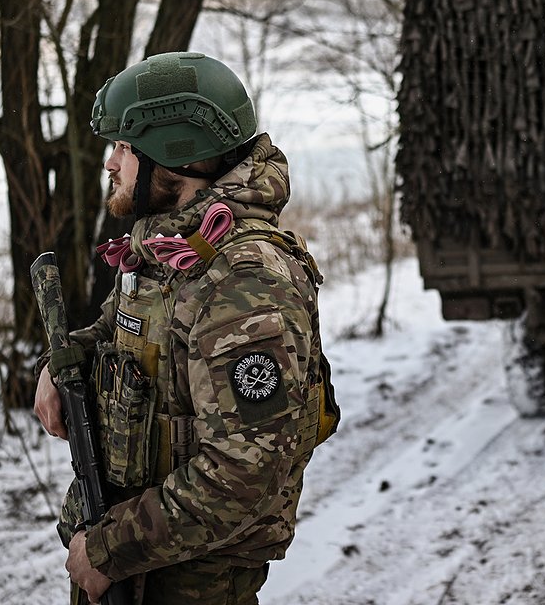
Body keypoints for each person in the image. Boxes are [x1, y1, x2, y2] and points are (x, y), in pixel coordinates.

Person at [33, 51, 339, 605]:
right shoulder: (174, 248)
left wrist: (109, 551)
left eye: (124, 147)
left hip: (189, 583)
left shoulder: (245, 286)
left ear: (176, 156)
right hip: (137, 567)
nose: (111, 164)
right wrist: (63, 363)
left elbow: (243, 473)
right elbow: (123, 327)